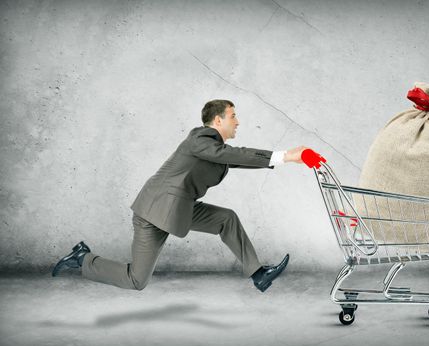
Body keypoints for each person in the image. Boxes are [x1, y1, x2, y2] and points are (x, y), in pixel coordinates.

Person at [52, 99, 309, 292]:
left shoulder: (213, 149)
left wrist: (284, 160)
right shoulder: (199, 139)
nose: (238, 121)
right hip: (154, 213)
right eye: (233, 116)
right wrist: (283, 155)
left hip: (178, 208)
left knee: (226, 219)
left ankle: (258, 274)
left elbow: (234, 159)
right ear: (218, 121)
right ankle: (82, 259)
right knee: (136, 280)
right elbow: (231, 155)